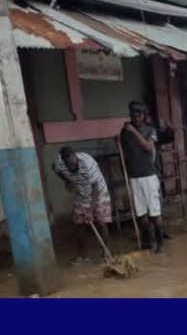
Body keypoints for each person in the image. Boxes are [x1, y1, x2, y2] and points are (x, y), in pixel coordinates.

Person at [53, 147, 112, 264]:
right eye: (69, 165)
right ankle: (83, 256)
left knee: (101, 222)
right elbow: (55, 169)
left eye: (74, 163)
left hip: (99, 193)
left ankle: (105, 254)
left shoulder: (87, 163)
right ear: (64, 163)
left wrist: (90, 210)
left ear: (75, 156)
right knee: (79, 224)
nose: (73, 167)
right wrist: (67, 181)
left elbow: (96, 189)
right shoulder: (59, 162)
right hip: (81, 194)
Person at [120, 101, 165, 253]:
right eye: (133, 114)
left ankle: (160, 244)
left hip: (148, 175)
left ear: (143, 116)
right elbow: (125, 152)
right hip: (133, 176)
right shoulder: (125, 132)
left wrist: (133, 131)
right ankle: (147, 242)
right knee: (140, 212)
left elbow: (148, 147)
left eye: (139, 115)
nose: (136, 117)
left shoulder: (149, 130)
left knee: (154, 211)